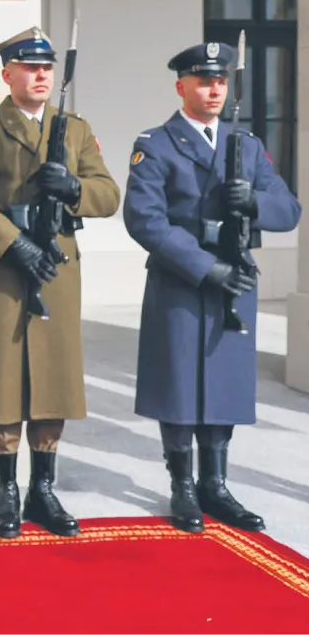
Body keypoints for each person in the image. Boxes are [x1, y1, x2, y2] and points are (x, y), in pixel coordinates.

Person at [0, 27, 120, 539]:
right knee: (3, 379)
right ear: (8, 74)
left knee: (52, 380)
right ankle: (7, 490)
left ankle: (43, 487)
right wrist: (12, 241)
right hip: (4, 269)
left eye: (47, 68)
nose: (41, 75)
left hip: (57, 270)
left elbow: (109, 196)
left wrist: (75, 188)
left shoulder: (75, 130)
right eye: (29, 67)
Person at [123, 41, 301, 535]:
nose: (215, 88)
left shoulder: (245, 144)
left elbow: (289, 209)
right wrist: (204, 267)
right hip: (183, 280)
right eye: (204, 81)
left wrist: (254, 202)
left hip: (234, 279)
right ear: (182, 87)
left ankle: (215, 485)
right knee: (178, 384)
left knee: (222, 384)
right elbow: (145, 220)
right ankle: (182, 487)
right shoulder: (156, 144)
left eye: (221, 81)